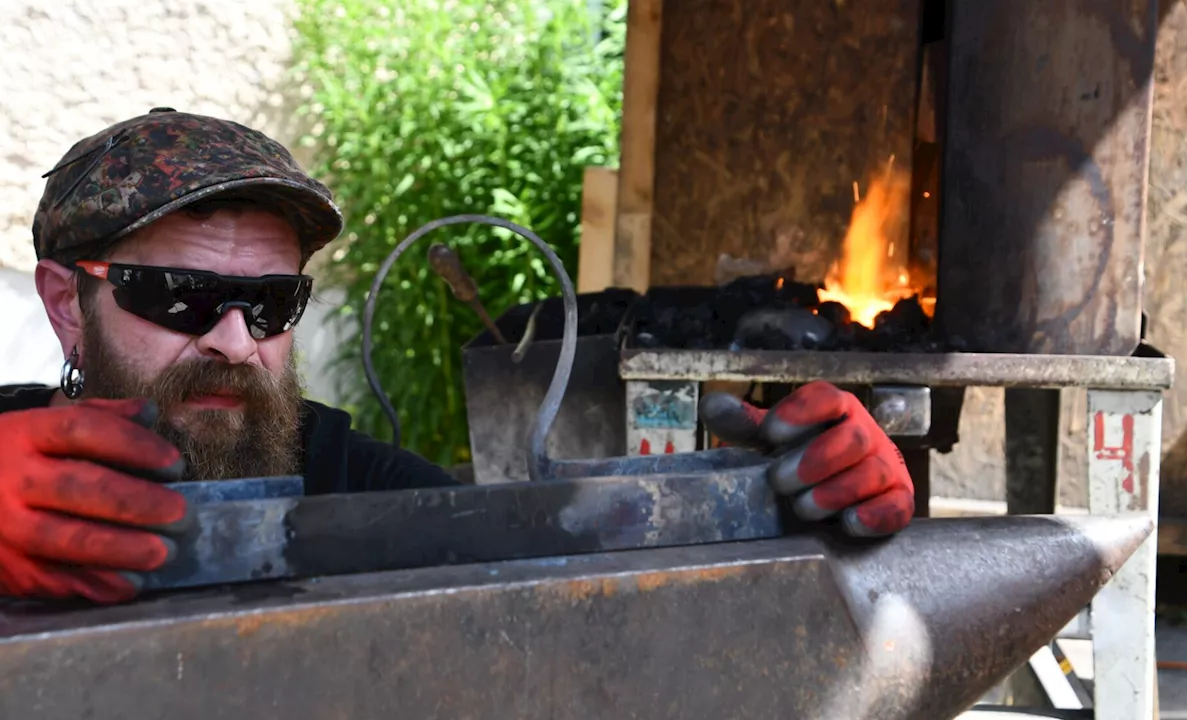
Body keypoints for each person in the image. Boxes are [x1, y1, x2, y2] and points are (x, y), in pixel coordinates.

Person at [0, 108, 915, 605]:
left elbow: (571, 571)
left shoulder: (358, 486)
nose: (234, 341)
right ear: (65, 306)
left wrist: (795, 499)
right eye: (180, 298)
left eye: (271, 304)